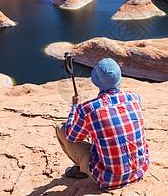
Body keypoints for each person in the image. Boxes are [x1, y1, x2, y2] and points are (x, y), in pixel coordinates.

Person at [55, 58, 149, 190]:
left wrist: (75, 107)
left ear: (96, 81)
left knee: (61, 128)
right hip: (139, 170)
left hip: (107, 179)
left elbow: (71, 137)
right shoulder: (134, 97)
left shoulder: (87, 109)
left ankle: (81, 169)